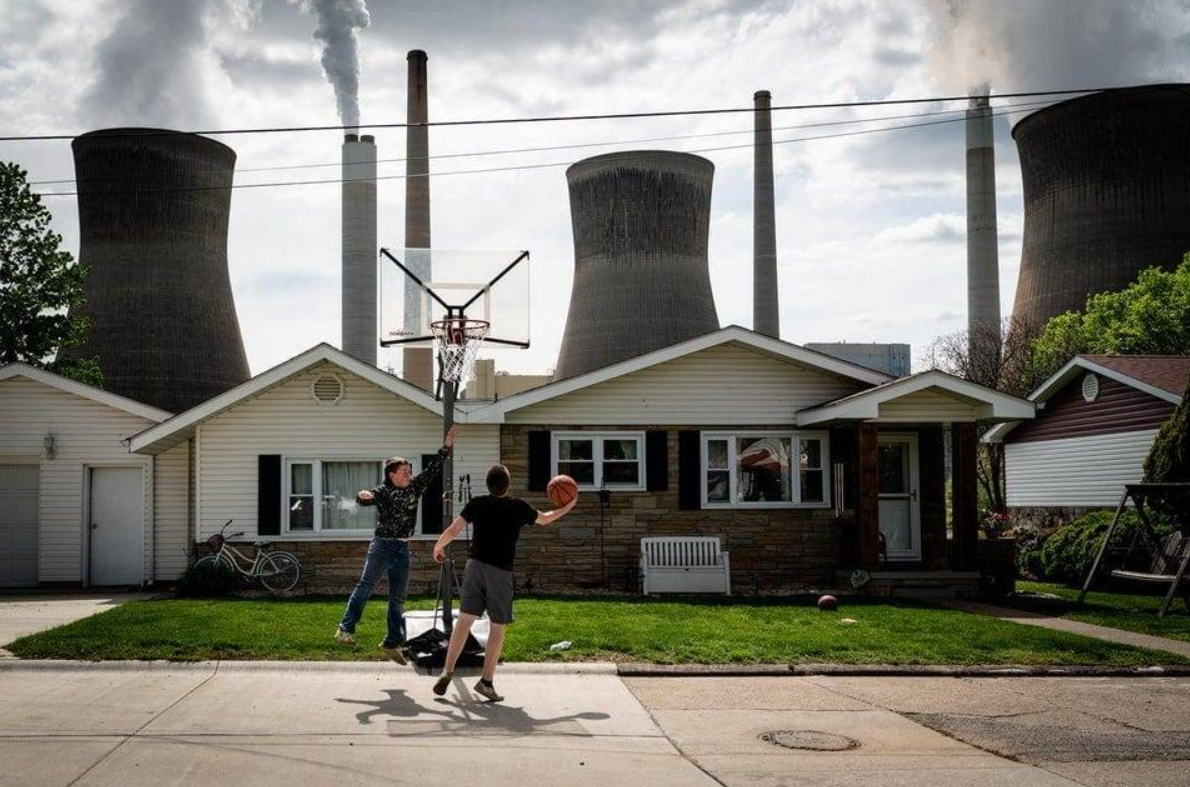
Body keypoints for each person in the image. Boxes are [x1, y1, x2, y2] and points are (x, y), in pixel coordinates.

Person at [430, 464, 576, 701]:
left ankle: (447, 671)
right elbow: (546, 519)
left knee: (464, 620)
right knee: (497, 627)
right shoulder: (518, 507)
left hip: (475, 566)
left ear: (488, 485)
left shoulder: (477, 503)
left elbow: (455, 528)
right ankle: (486, 682)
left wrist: (438, 545)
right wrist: (568, 506)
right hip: (500, 572)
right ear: (508, 485)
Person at [335, 425, 458, 664]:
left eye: (410, 470)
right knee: (366, 585)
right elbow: (365, 499)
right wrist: (363, 496)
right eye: (404, 471)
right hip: (382, 546)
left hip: (402, 549)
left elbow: (434, 468)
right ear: (392, 474)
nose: (409, 474)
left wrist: (448, 444)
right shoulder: (382, 491)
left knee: (398, 597)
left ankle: (392, 641)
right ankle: (346, 628)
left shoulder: (414, 487)